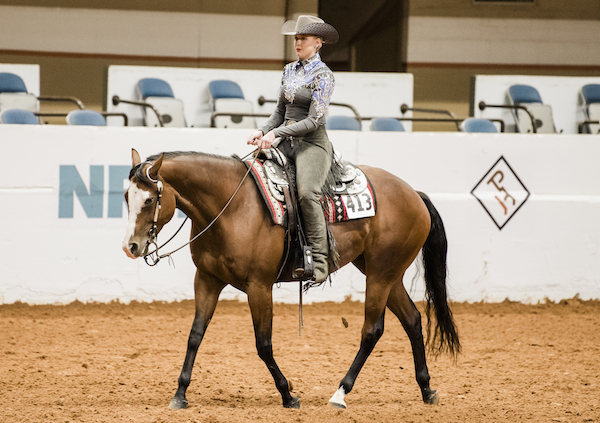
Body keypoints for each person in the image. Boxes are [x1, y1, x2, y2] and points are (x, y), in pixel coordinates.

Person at [247, 15, 339, 284]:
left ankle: (320, 262)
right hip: (285, 142)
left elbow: (314, 121)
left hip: (312, 145)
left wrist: (276, 133)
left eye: (303, 38)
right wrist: (262, 131)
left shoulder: (324, 75)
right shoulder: (289, 70)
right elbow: (279, 111)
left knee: (308, 194)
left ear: (318, 43)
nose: (297, 43)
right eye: (296, 38)